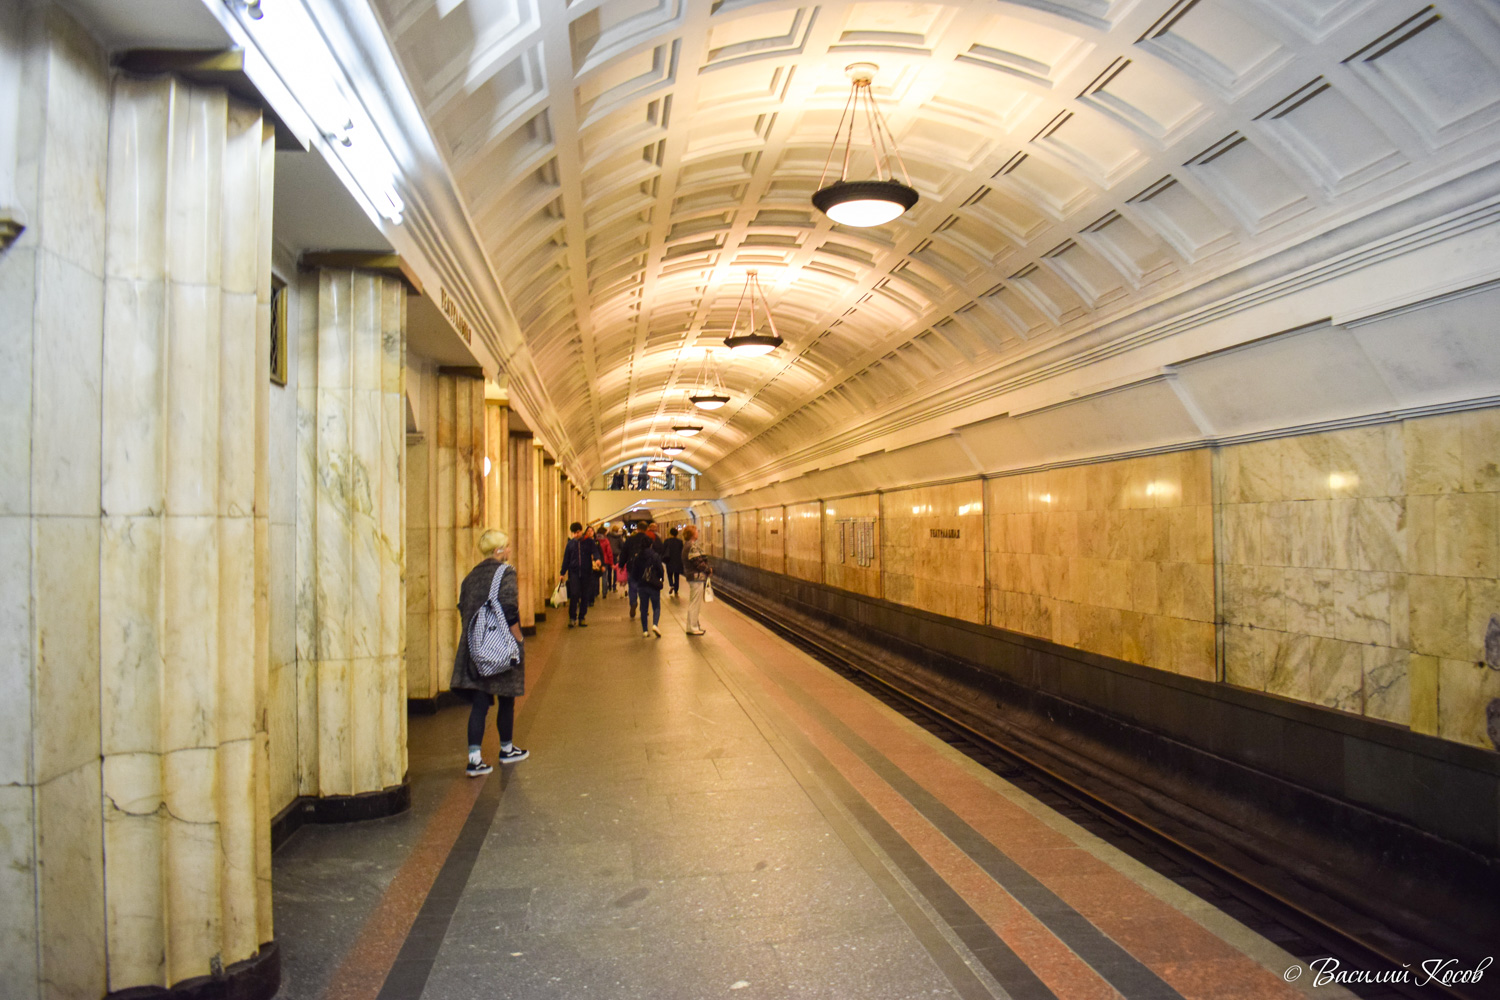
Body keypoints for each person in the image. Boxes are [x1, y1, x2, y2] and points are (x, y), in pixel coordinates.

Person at [452, 529, 528, 773]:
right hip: (500, 644)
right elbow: (509, 608)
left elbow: (463, 608)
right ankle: (507, 749)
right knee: (506, 698)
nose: (509, 550)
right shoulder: (505, 572)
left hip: (476, 647)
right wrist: (518, 638)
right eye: (507, 546)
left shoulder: (470, 577)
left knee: (480, 703)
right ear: (498, 550)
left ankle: (474, 759)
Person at [559, 521, 599, 627]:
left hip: (586, 572)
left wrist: (597, 559)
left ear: (581, 531)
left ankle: (582, 617)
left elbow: (595, 552)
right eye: (573, 533)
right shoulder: (570, 544)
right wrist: (562, 572)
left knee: (585, 595)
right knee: (574, 594)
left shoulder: (589, 542)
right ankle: (572, 617)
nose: (575, 535)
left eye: (577, 532)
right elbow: (566, 559)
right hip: (574, 572)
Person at [633, 534, 665, 639]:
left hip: (642, 585)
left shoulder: (638, 557)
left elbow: (634, 573)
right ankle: (655, 624)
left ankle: (645, 631)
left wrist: (637, 581)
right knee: (656, 606)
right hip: (653, 585)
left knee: (643, 608)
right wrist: (660, 578)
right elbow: (660, 570)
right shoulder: (655, 556)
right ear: (651, 545)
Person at [682, 524, 709, 636]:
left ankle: (694, 625)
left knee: (694, 602)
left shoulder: (687, 545)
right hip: (696, 577)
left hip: (693, 577)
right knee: (695, 603)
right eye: (696, 531)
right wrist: (708, 569)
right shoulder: (691, 546)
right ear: (692, 534)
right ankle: (692, 627)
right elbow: (697, 562)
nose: (698, 533)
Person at [663, 526, 684, 597]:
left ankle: (671, 585)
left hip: (669, 560)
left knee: (669, 574)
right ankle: (676, 589)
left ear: (670, 533)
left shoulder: (667, 541)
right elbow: (682, 551)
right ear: (677, 534)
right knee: (676, 576)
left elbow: (663, 550)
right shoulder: (680, 542)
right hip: (678, 561)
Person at [596, 526, 615, 601]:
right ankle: (604, 592)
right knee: (604, 576)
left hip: (596, 560)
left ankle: (596, 592)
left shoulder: (595, 540)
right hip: (605, 560)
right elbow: (609, 552)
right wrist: (611, 562)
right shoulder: (605, 540)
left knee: (596, 577)